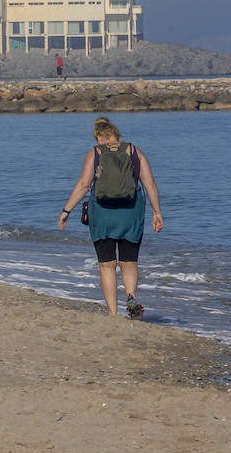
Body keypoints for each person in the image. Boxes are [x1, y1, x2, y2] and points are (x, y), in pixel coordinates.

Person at [58, 116, 164, 318]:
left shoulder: (95, 153)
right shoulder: (133, 151)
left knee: (107, 265)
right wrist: (156, 212)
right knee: (129, 262)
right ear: (117, 135)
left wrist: (66, 211)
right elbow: (149, 183)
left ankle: (113, 313)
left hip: (103, 215)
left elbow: (83, 185)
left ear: (98, 137)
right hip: (131, 213)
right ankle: (131, 299)